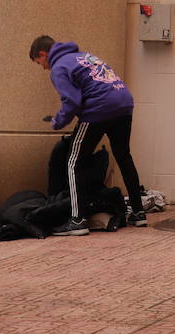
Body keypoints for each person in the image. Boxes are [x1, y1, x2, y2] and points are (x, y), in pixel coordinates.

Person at [29, 35, 148, 235]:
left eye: (39, 62)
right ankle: (138, 212)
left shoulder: (59, 67)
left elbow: (73, 101)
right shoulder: (84, 56)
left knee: (74, 161)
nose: (43, 68)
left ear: (42, 54)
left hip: (100, 108)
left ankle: (77, 220)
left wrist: (57, 121)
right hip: (124, 102)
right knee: (123, 156)